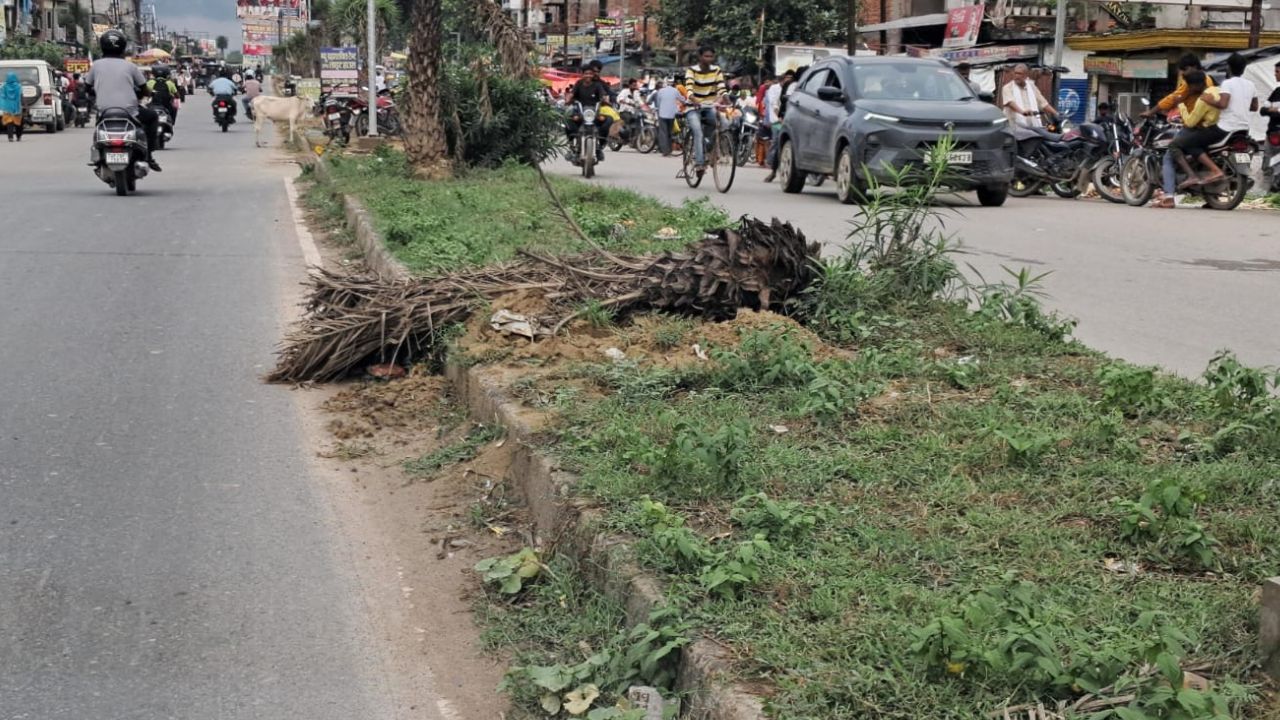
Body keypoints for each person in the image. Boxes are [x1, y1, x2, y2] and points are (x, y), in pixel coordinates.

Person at [84, 30, 162, 171]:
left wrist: (96, 93)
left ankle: (98, 155)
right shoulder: (130, 66)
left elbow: (87, 87)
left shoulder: (96, 65)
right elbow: (144, 89)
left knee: (99, 127)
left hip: (104, 111)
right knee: (152, 117)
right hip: (130, 112)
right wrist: (145, 94)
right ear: (123, 47)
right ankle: (149, 154)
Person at [1155, 70, 1224, 207]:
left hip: (1207, 129)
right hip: (1223, 129)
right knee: (1194, 147)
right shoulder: (1219, 90)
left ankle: (1183, 183)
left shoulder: (1203, 99)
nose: (1188, 89)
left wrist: (1180, 104)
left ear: (1197, 85)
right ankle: (1210, 195)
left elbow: (1190, 122)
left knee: (1174, 147)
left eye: (1190, 86)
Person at [683, 45, 727, 171]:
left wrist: (726, 98)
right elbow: (689, 89)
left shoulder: (716, 70)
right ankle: (699, 163)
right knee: (697, 131)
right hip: (693, 107)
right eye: (706, 56)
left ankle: (711, 151)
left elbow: (721, 87)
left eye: (711, 56)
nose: (709, 59)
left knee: (722, 123)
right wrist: (694, 99)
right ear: (700, 57)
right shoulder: (692, 70)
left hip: (709, 106)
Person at [564, 60, 612, 162]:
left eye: (590, 73)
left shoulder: (598, 85)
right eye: (586, 73)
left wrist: (605, 100)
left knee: (608, 120)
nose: (588, 75)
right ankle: (571, 144)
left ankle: (600, 145)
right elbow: (572, 94)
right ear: (582, 74)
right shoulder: (578, 84)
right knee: (567, 119)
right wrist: (568, 99)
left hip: (594, 113)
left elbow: (603, 94)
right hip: (580, 112)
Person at [1000, 64, 1059, 140]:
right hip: (1015, 127)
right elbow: (1010, 102)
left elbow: (1043, 102)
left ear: (1025, 75)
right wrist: (1022, 112)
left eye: (1019, 74)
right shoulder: (1007, 88)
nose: (1016, 76)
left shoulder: (1031, 86)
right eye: (1015, 73)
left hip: (1032, 125)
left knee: (1043, 137)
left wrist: (1056, 113)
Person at [1149, 53, 1215, 118]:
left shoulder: (1191, 83)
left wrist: (1151, 112)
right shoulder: (1208, 78)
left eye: (1185, 69)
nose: (1183, 72)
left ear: (1194, 67)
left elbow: (1172, 98)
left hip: (1196, 121)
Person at [763, 68, 797, 182]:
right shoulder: (777, 89)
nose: (788, 80)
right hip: (779, 120)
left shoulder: (796, 87)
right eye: (787, 78)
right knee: (778, 142)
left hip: (794, 120)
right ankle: (772, 168)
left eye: (791, 78)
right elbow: (777, 104)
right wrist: (780, 117)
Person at [1259, 61, 1280, 181]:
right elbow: (1262, 110)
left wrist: (1272, 110)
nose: (1275, 74)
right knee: (1266, 165)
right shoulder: (1276, 92)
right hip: (1271, 133)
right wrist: (1274, 110)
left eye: (1277, 72)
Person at [652, 77, 681, 157]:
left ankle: (665, 151)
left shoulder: (660, 91)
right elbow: (682, 99)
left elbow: (658, 102)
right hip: (671, 115)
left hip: (662, 114)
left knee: (663, 133)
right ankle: (669, 149)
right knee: (669, 132)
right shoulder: (675, 91)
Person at [1, 72, 23, 142]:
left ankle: (10, 137)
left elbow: (2, 97)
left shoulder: (4, 86)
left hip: (7, 107)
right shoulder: (19, 86)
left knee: (9, 122)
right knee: (18, 122)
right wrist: (25, 105)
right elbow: (21, 96)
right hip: (17, 106)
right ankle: (18, 137)